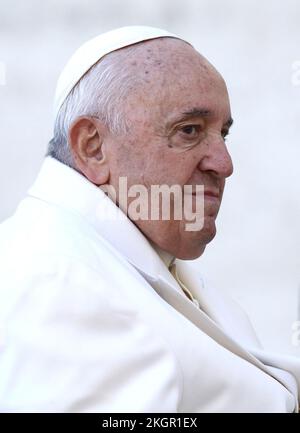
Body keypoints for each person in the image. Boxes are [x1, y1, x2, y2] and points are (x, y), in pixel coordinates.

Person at [0, 26, 299, 413]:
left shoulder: (121, 257)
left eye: (223, 134)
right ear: (92, 148)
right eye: (189, 130)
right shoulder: (55, 282)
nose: (224, 164)